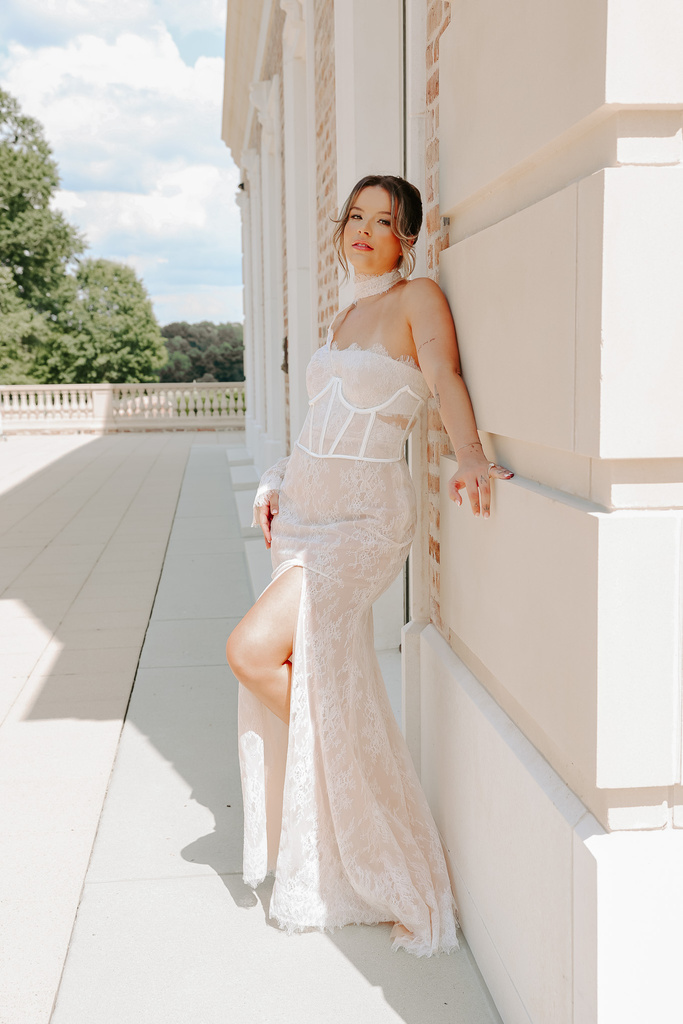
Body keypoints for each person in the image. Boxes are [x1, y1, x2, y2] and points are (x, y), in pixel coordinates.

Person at [226, 174, 513, 956]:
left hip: (361, 521)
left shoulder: (417, 299)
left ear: (408, 237)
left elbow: (444, 378)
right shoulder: (347, 310)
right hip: (306, 514)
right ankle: (358, 826)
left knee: (251, 653)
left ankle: (371, 814)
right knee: (317, 675)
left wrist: (472, 458)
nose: (362, 231)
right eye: (355, 217)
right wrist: (276, 481)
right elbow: (317, 420)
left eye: (382, 221)